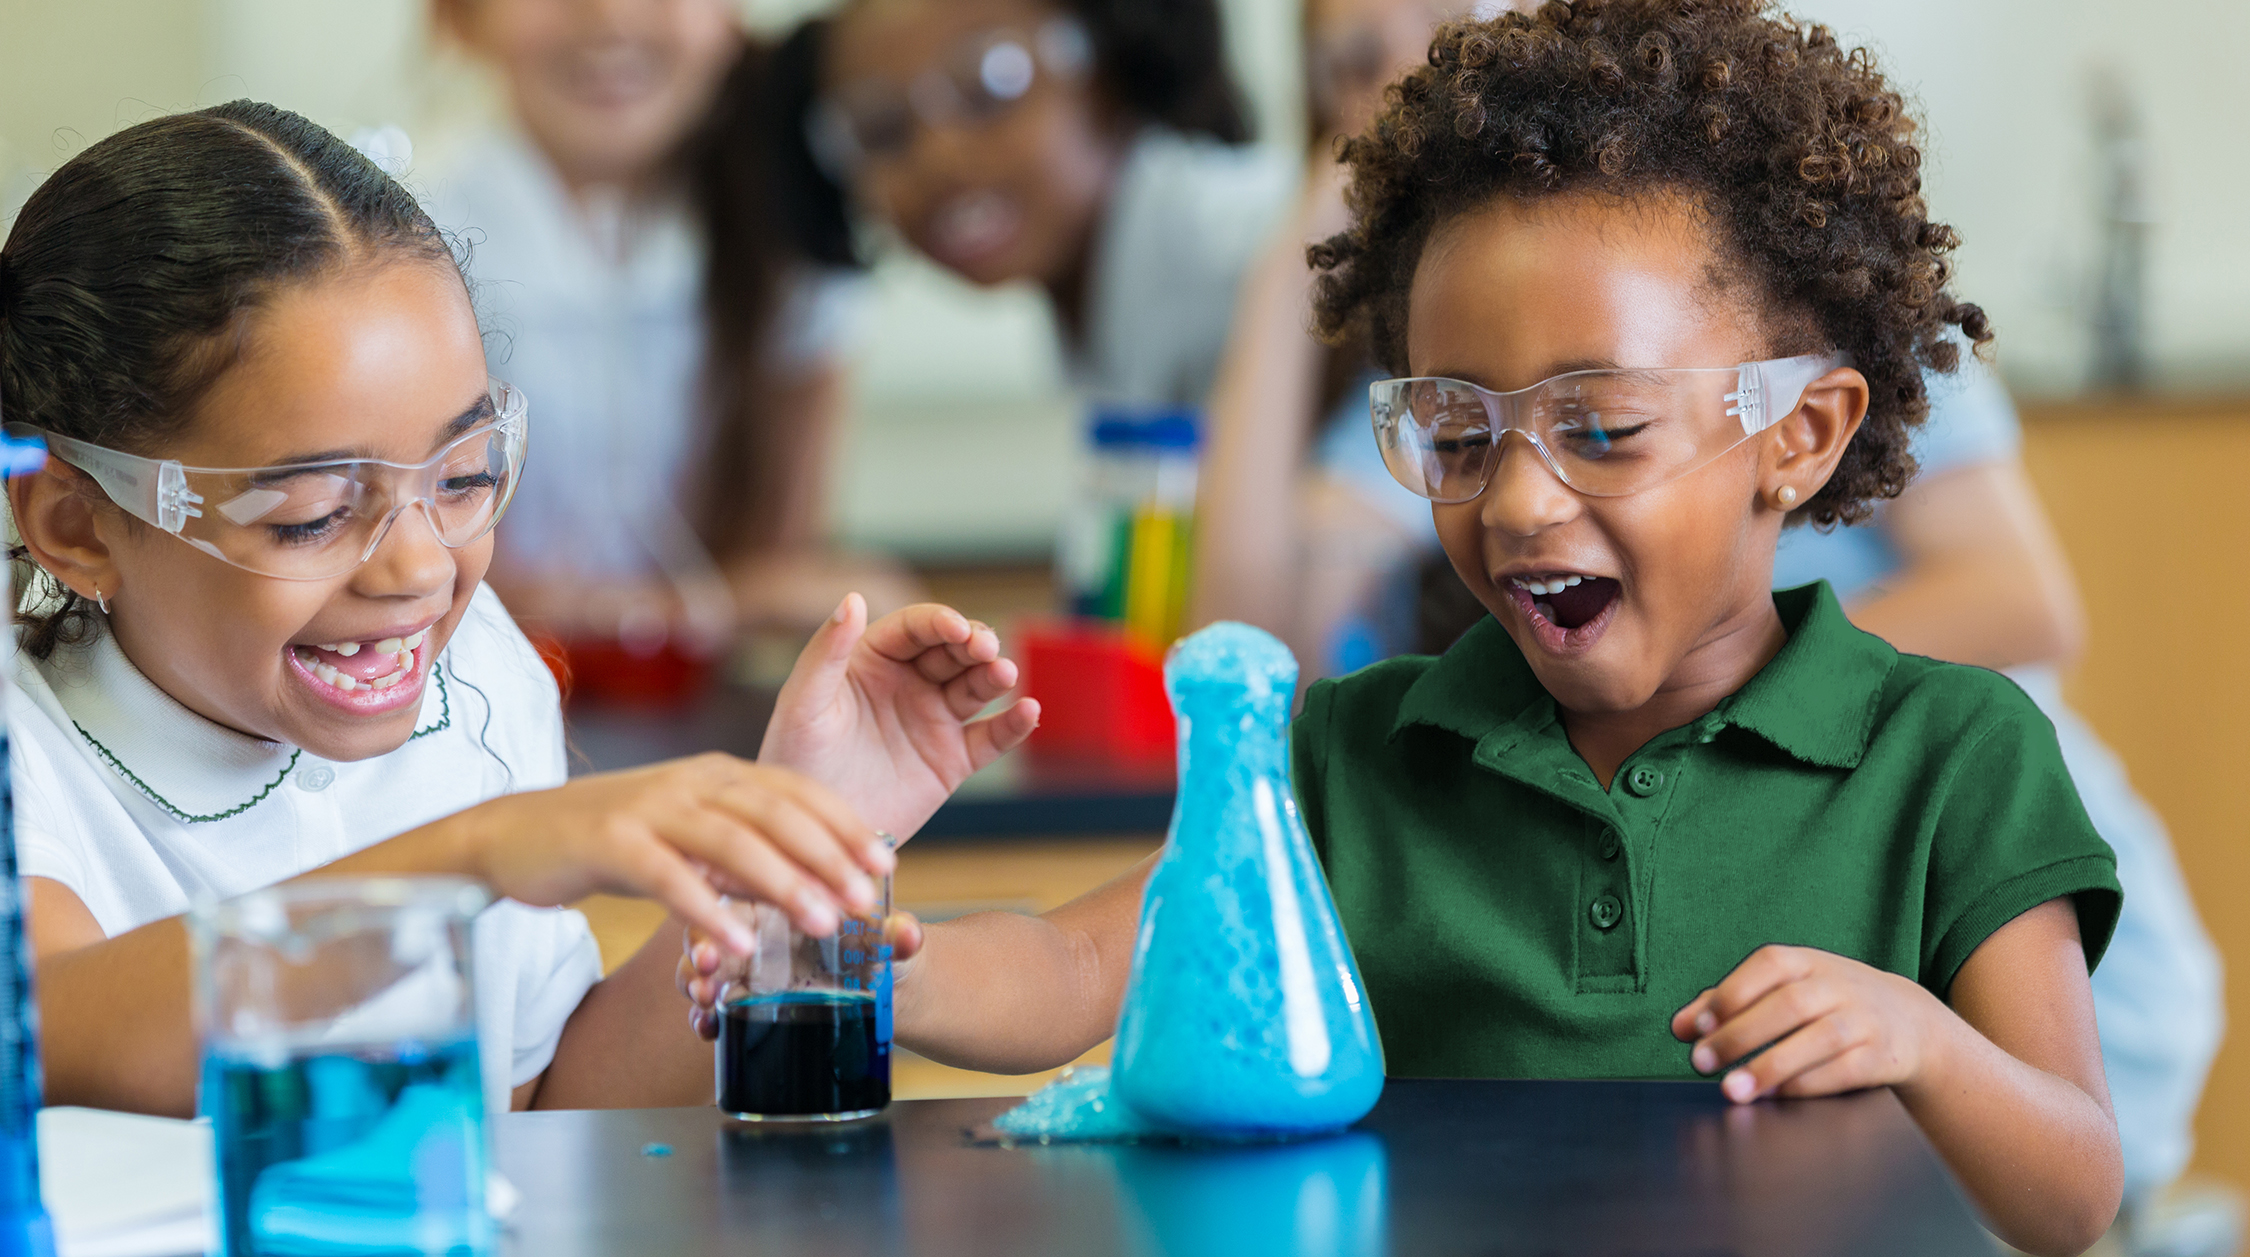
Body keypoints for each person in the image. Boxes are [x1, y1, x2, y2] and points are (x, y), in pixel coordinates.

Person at [689, 2, 2136, 1249]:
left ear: (1799, 437)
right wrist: (865, 958)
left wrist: (1927, 1044)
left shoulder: (1955, 754)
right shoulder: (1361, 755)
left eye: (1603, 427)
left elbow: (2068, 1190)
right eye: (1454, 433)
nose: (1514, 503)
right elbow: (1081, 969)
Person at [0, 100, 1037, 1116]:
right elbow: (54, 1031)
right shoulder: (28, 748)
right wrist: (480, 853)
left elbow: (544, 1099)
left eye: (462, 476)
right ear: (78, 526)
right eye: (311, 515)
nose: (416, 567)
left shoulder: (478, 680)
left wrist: (788, 867)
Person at [1770, 364, 2231, 1255]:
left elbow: (2019, 597)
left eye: (1609, 431)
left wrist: (1708, 696)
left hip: (2057, 1006)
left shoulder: (1860, 338)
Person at [424, 0, 913, 650]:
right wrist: (722, 604)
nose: (611, 18)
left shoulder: (796, 228)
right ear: (457, 16)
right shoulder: (396, 232)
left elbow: (790, 557)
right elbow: (437, 583)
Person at [1190, 0, 1501, 675]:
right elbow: (1236, 664)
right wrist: (1288, 271)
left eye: (1456, 35)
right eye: (1358, 64)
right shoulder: (1397, 389)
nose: (1409, 88)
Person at [813, 0, 1293, 410]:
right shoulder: (1093, 299)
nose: (940, 157)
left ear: (1106, 61)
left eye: (989, 86)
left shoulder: (1243, 242)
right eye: (880, 130)